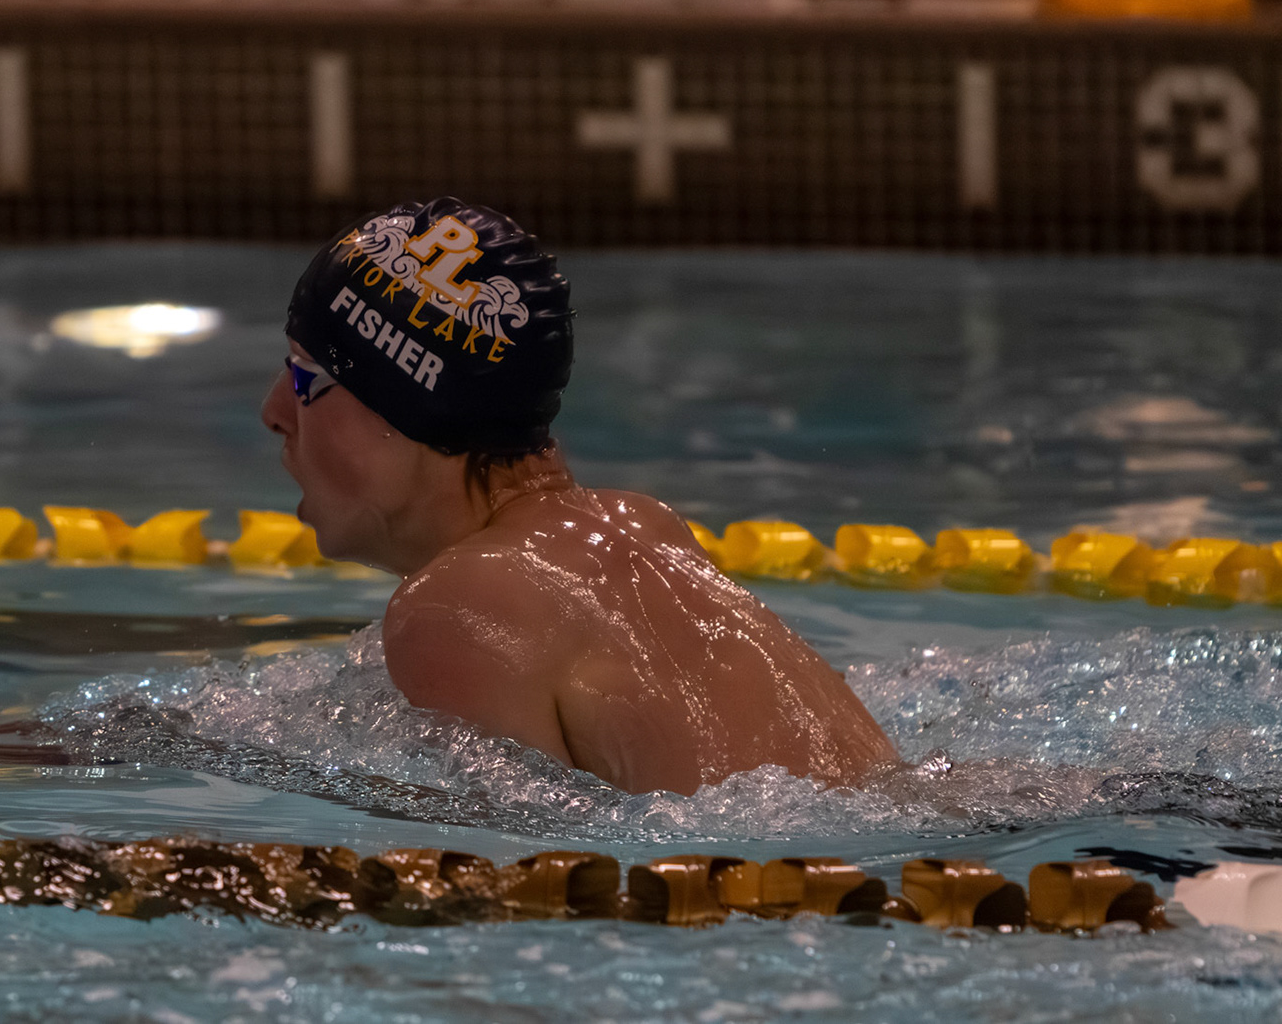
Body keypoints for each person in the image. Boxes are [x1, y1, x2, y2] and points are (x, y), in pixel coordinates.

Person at [260, 197, 895, 796]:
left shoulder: (459, 606)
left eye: (305, 377)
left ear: (409, 408)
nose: (274, 411)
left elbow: (509, 865)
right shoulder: (644, 525)